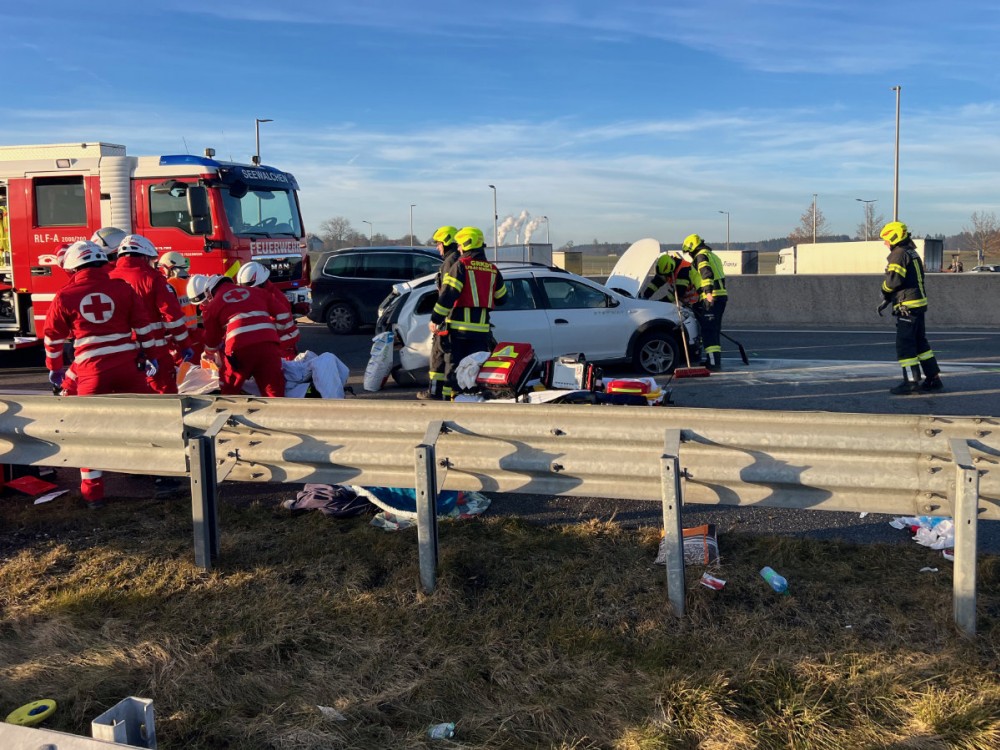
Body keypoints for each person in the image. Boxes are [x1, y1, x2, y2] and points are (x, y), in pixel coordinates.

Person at [42, 240, 156, 508]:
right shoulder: (122, 288)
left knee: (88, 432)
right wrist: (151, 357)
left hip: (92, 374)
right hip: (129, 368)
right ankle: (159, 474)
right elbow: (143, 327)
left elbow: (52, 338)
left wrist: (54, 368)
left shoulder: (65, 296)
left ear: (72, 267)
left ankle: (93, 495)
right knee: (149, 420)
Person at [428, 226, 507, 398]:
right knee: (472, 370)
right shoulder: (492, 269)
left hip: (458, 330)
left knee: (453, 369)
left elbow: (448, 296)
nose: (458, 248)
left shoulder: (461, 266)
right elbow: (502, 298)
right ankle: (470, 401)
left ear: (466, 243)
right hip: (481, 332)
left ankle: (450, 403)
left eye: (460, 245)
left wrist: (435, 319)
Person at [109, 234, 192, 393]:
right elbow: (171, 315)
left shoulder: (108, 278)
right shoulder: (152, 278)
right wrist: (184, 344)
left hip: (119, 353)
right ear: (145, 256)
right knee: (164, 394)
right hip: (154, 349)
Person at [193, 274, 286, 397]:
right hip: (269, 346)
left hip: (239, 349)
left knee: (230, 387)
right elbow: (283, 313)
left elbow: (212, 337)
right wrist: (274, 334)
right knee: (274, 388)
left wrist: (209, 353)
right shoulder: (257, 292)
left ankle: (228, 413)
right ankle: (279, 414)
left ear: (211, 293)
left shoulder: (214, 304)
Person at [878, 221, 943, 394]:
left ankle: (911, 382)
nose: (885, 243)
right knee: (921, 343)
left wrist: (884, 291)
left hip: (907, 306)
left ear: (894, 237)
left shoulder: (898, 254)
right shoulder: (911, 252)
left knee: (905, 345)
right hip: (918, 304)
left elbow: (893, 281)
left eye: (886, 239)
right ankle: (933, 379)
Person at [418, 225, 462, 400]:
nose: (437, 247)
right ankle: (443, 395)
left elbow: (446, 294)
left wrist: (436, 319)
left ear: (446, 242)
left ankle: (435, 393)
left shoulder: (450, 263)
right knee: (449, 361)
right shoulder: (457, 260)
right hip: (455, 319)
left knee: (438, 357)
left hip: (447, 319)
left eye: (438, 243)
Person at [681, 233, 728, 370]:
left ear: (692, 248)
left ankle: (712, 363)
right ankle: (714, 361)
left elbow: (706, 273)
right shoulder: (712, 255)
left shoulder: (700, 256)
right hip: (721, 296)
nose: (689, 255)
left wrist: (708, 293)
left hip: (712, 297)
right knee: (714, 330)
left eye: (689, 252)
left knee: (708, 331)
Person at [236, 261, 300, 359]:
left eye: (250, 289)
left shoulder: (276, 299)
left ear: (261, 284)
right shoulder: (262, 295)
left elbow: (277, 326)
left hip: (282, 348)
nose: (248, 292)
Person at [157, 251, 203, 362]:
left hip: (179, 335)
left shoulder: (169, 285)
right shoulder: (191, 282)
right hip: (194, 333)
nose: (163, 271)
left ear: (170, 267)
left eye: (164, 268)